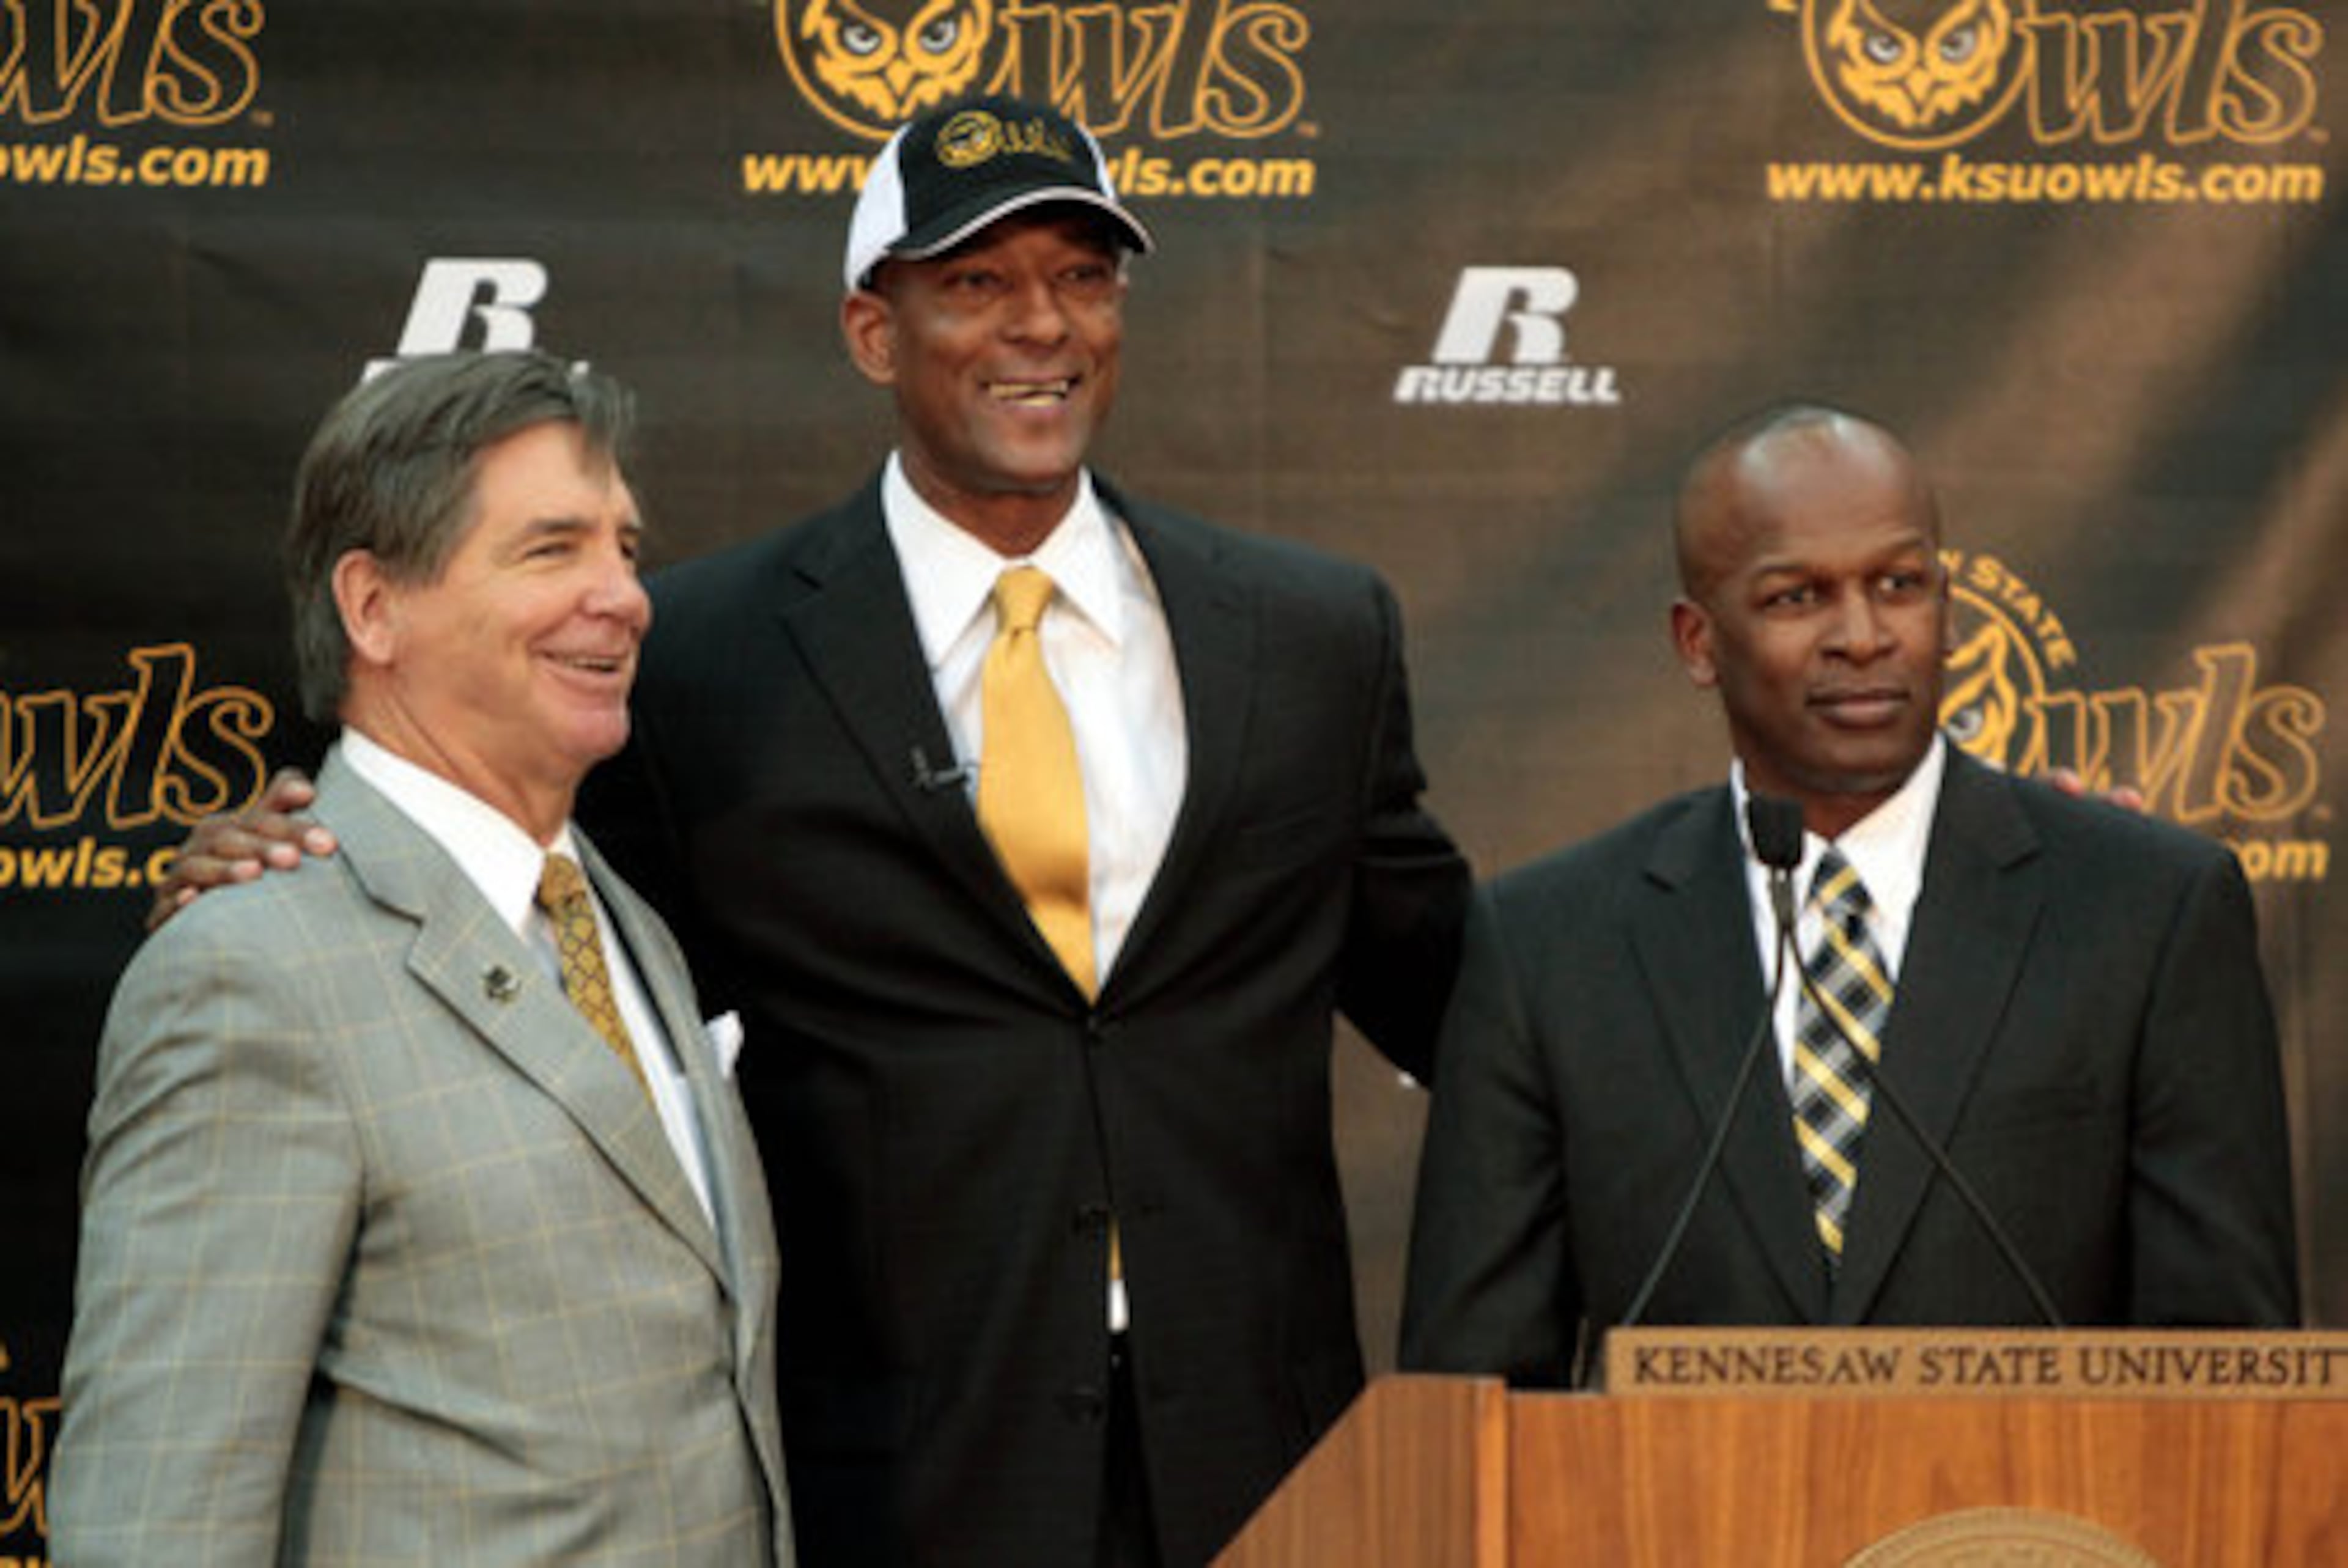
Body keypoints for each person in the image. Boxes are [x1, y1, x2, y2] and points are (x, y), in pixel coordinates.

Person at [150, 96, 1469, 1567]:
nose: (1043, 324)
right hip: (889, 1489)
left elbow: (1472, 1000)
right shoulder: (697, 659)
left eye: (1083, 276)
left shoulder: (1306, 633)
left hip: (1269, 1475)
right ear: (872, 331)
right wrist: (286, 873)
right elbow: (514, 943)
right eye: (976, 283)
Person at [53, 352, 796, 1565]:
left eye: (625, 547)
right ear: (373, 605)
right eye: (552, 549)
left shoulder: (623, 919)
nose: (623, 595)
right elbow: (155, 1522)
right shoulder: (252, 971)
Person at [1399, 403, 2300, 1387]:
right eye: (1798, 598)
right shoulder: (1550, 947)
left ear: (1948, 609)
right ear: (1699, 642)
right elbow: (1469, 1400)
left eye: (1899, 585)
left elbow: (2232, 1380)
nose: (1863, 636)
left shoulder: (2147, 910)